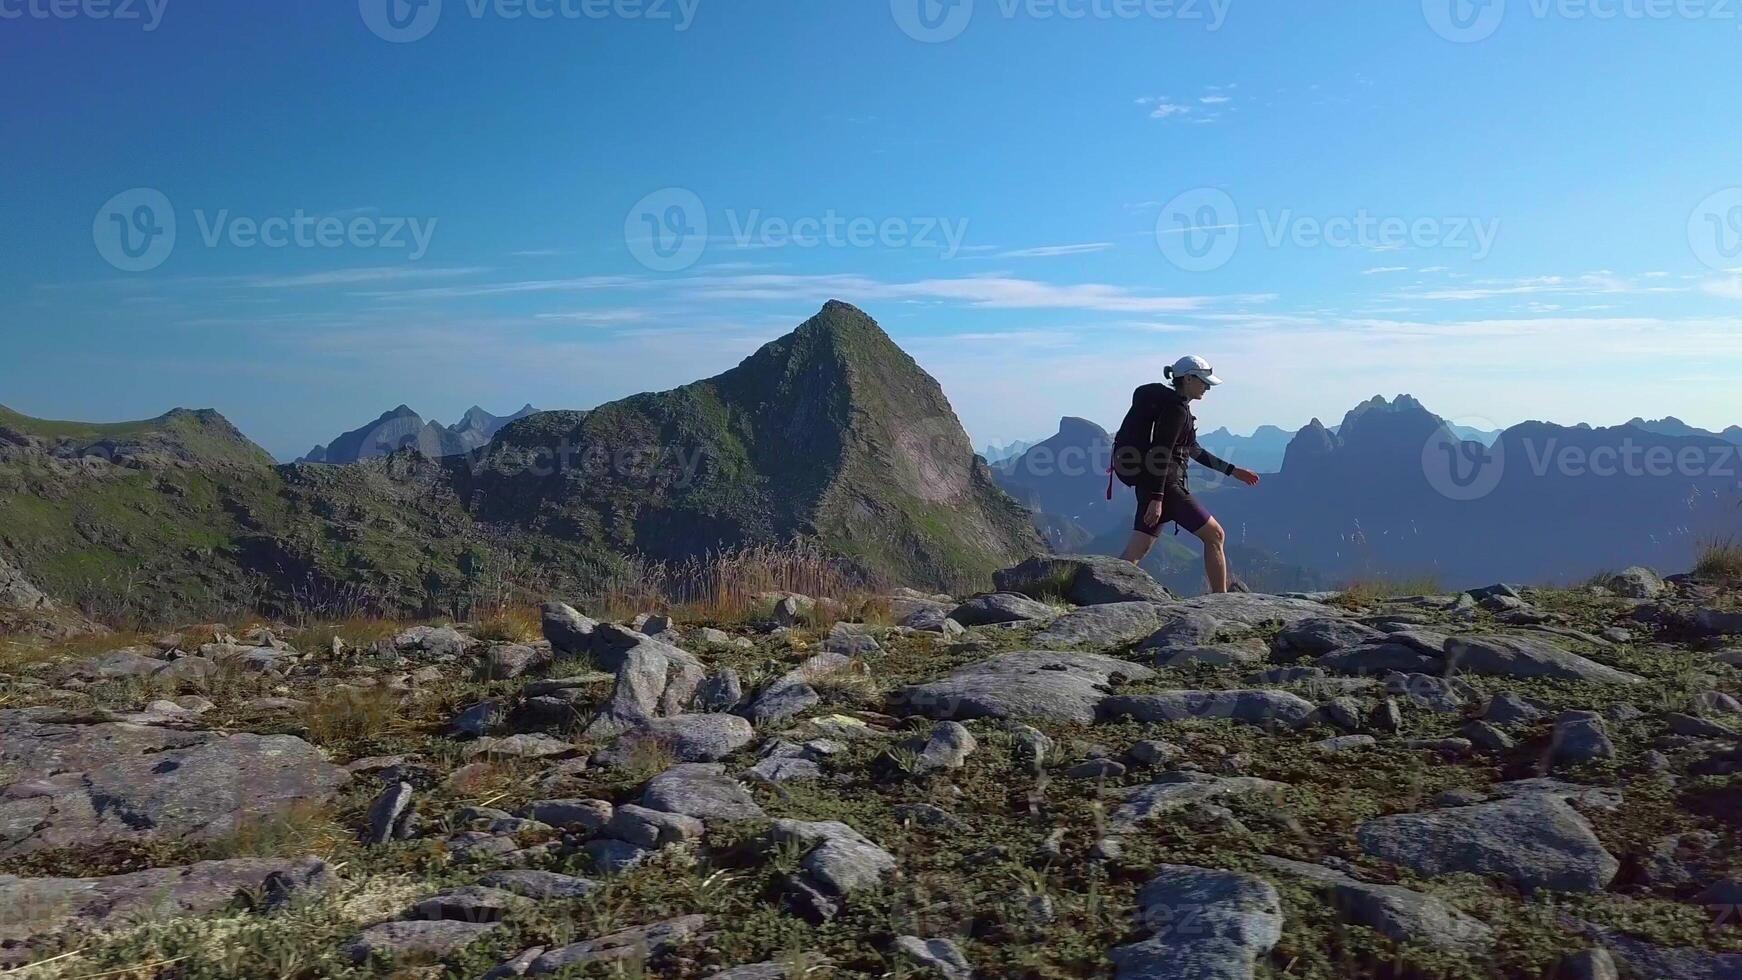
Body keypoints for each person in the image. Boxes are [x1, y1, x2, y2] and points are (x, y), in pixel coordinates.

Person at [1112, 355, 1261, 593]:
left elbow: (1193, 449)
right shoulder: (1176, 410)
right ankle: (1221, 602)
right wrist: (1158, 499)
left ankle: (1101, 589)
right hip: (1167, 488)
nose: (1207, 387)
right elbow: (1160, 452)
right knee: (1215, 535)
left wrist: (1234, 472)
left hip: (1153, 486)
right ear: (1188, 379)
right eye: (1203, 381)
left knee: (1135, 552)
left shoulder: (1177, 408)